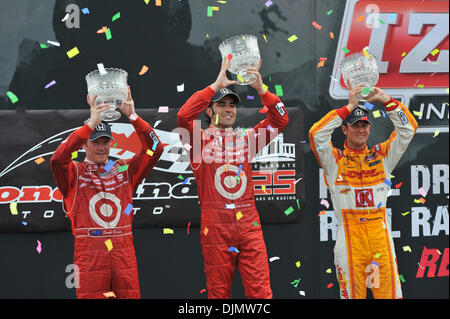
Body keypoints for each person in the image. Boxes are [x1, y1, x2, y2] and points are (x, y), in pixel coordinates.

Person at [177, 57, 289, 299]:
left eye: (232, 105)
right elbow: (183, 117)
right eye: (221, 105)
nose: (228, 109)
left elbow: (280, 120)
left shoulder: (248, 139)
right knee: (218, 295)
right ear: (209, 111)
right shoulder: (198, 142)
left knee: (262, 294)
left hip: (249, 224)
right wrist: (214, 87)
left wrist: (262, 89)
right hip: (215, 227)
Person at [50, 86, 164, 298]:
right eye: (95, 142)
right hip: (90, 255)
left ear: (112, 142)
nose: (102, 147)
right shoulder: (74, 172)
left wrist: (132, 116)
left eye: (105, 141)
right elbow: (57, 159)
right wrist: (91, 123)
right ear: (84, 144)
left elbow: (155, 148)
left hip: (124, 254)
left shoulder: (124, 168)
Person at [309, 83, 418, 299]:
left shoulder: (382, 156)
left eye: (364, 126)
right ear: (344, 129)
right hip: (350, 242)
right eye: (355, 125)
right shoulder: (334, 160)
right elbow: (316, 134)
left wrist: (387, 101)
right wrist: (348, 107)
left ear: (369, 128)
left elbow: (408, 129)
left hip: (380, 240)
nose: (361, 130)